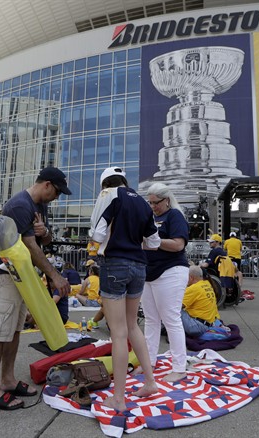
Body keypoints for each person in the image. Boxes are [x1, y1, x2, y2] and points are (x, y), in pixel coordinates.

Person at [0, 166, 71, 410]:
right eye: (58, 192)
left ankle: (8, 379)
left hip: (22, 276)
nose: (58, 197)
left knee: (14, 330)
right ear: (47, 185)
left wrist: (45, 233)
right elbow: (30, 246)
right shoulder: (20, 205)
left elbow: (43, 240)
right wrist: (55, 276)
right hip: (4, 274)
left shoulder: (40, 206)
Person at [89, 166, 160, 412]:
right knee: (132, 326)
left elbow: (97, 233)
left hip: (114, 265)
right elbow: (154, 242)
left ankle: (118, 398)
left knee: (118, 332)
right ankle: (150, 382)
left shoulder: (108, 195)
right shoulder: (141, 202)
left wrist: (102, 241)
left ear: (104, 184)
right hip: (139, 266)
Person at [142, 182, 189, 382]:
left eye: (156, 202)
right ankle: (148, 362)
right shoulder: (150, 217)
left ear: (167, 200)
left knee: (171, 319)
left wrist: (153, 242)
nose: (153, 206)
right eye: (150, 202)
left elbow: (178, 245)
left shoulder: (175, 216)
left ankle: (179, 367)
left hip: (171, 271)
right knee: (151, 320)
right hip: (149, 272)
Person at [180, 266, 223, 337]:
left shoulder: (193, 288)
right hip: (208, 324)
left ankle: (171, 333)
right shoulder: (207, 284)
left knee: (173, 310)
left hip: (197, 327)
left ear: (191, 277)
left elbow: (177, 306)